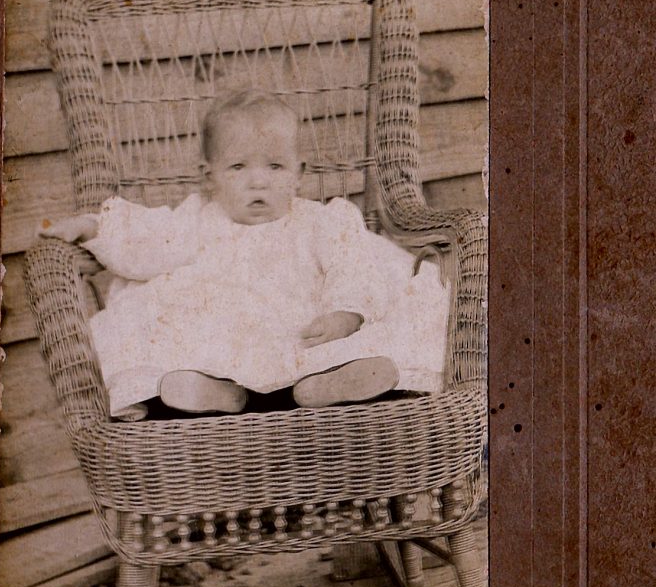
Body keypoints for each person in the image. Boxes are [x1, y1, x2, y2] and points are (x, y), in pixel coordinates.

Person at [40, 90, 449, 421]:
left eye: (275, 167)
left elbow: (353, 265)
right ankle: (214, 392)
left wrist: (346, 313)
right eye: (237, 167)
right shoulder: (196, 219)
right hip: (225, 344)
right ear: (210, 175)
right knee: (152, 330)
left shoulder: (322, 221)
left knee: (367, 334)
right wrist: (95, 227)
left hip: (306, 337)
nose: (258, 182)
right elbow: (145, 243)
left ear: (299, 173)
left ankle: (327, 384)